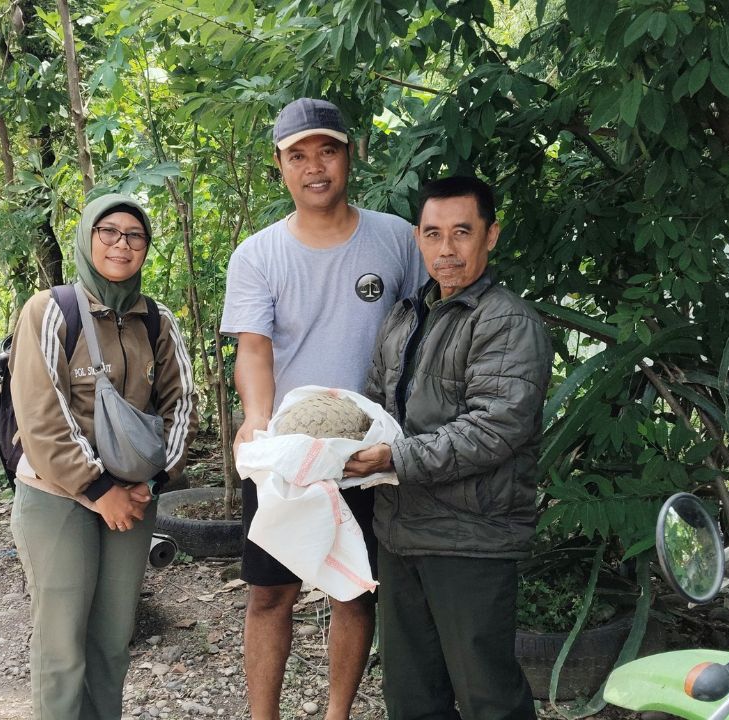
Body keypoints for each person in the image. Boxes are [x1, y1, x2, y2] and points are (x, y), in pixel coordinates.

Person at [221, 98, 428, 720]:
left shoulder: (396, 238)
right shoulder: (258, 254)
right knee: (270, 593)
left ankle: (337, 713)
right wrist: (258, 418)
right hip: (292, 449)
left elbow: (425, 332)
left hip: (369, 446)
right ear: (280, 166)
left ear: (350, 154)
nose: (316, 167)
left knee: (355, 592)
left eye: (328, 151)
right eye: (299, 155)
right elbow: (253, 350)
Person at [344, 176, 552, 720]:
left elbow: (494, 429)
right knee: (412, 696)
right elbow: (374, 406)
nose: (447, 249)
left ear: (491, 235)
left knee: (488, 695)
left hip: (471, 537)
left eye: (462, 232)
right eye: (433, 234)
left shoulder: (507, 321)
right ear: (418, 238)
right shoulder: (405, 314)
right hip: (400, 530)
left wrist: (395, 458)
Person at [8, 194, 197, 720]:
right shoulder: (50, 311)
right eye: (108, 232)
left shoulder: (156, 320)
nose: (121, 244)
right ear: (88, 239)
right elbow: (42, 415)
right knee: (62, 643)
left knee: (112, 639)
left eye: (134, 236)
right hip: (58, 497)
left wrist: (153, 482)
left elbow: (182, 404)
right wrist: (99, 492)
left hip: (134, 500)